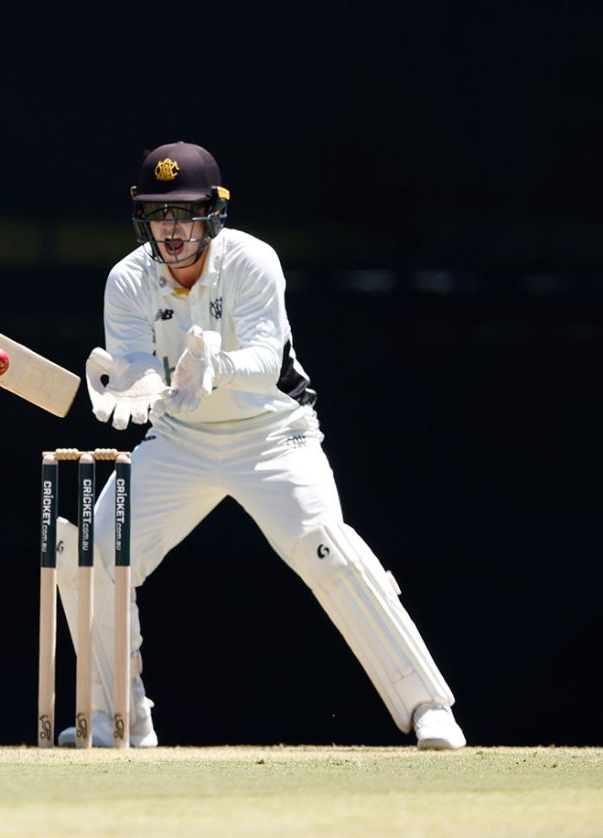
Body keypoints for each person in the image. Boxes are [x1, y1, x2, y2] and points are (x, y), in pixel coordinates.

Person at [61, 141, 465, 749]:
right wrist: (134, 387)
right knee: (94, 551)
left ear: (212, 213)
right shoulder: (128, 280)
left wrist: (212, 367)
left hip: (275, 437)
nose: (171, 230)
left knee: (328, 548)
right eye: (159, 213)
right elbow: (138, 369)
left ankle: (428, 706)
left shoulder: (252, 261)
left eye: (185, 212)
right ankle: (119, 717)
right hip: (180, 440)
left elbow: (265, 360)